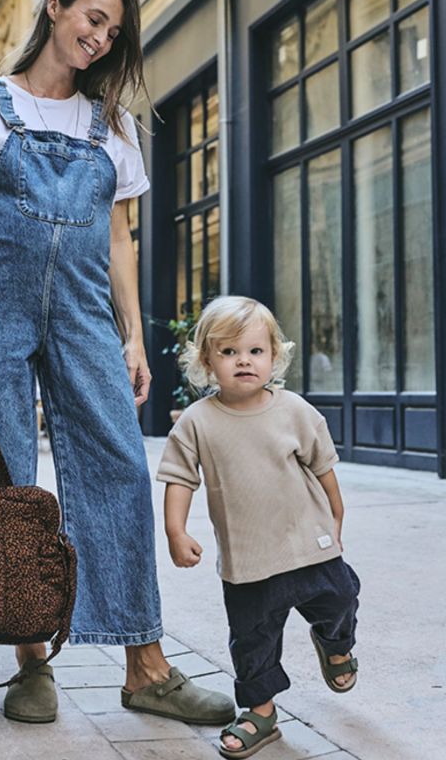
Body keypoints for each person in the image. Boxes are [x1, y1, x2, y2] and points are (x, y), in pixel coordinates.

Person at [0, 0, 233, 727]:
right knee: (2, 479)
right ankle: (29, 659)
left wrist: (132, 337)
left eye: (111, 32)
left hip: (82, 312)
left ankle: (146, 666)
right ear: (56, 8)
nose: (98, 38)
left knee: (118, 468)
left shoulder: (112, 123)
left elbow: (120, 239)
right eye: (91, 19)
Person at [157, 296, 360, 759]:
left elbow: (324, 467)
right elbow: (179, 479)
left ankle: (336, 645)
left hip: (310, 545)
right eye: (228, 352)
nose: (243, 361)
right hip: (248, 562)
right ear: (207, 362)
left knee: (340, 597)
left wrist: (336, 514)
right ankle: (261, 713)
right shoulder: (196, 423)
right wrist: (176, 531)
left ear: (274, 356)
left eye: (254, 351)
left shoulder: (295, 410)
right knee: (252, 641)